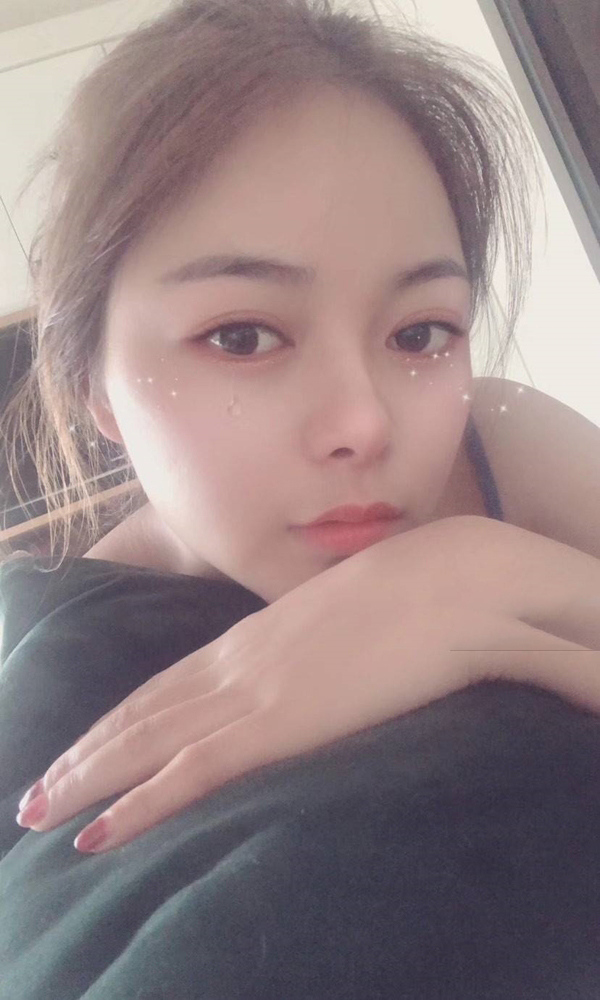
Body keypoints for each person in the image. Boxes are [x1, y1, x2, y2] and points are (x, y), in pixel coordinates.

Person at [1, 1, 600, 997]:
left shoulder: (499, 444)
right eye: (242, 336)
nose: (365, 422)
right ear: (92, 385)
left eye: (419, 333)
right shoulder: (57, 692)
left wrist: (471, 575)